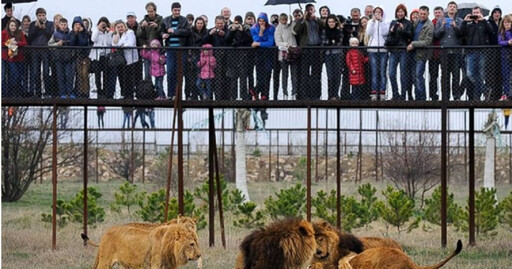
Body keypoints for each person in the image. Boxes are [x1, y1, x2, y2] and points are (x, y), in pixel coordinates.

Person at [460, 6, 493, 100]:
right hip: (470, 52)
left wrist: (483, 21)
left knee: (480, 75)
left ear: (481, 13)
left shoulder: (484, 23)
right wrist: (464, 21)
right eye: (474, 12)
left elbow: (491, 32)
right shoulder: (469, 24)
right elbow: (461, 33)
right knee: (470, 74)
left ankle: (477, 97)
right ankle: (485, 90)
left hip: (482, 52)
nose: (476, 14)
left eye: (477, 12)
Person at [293, 3, 324, 100]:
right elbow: (295, 31)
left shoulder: (317, 20)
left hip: (316, 49)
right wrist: (302, 19)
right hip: (306, 49)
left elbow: (324, 26)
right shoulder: (303, 21)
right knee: (304, 73)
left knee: (316, 74)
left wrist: (317, 19)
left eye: (311, 9)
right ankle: (304, 95)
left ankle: (316, 95)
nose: (310, 12)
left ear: (314, 10)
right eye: (308, 10)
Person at [434, 1, 464, 100]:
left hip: (456, 52)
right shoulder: (440, 21)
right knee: (445, 76)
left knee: (456, 75)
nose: (452, 8)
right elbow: (436, 35)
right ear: (447, 9)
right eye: (450, 6)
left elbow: (462, 34)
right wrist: (442, 26)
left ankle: (456, 96)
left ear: (456, 9)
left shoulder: (460, 21)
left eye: (454, 7)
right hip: (445, 52)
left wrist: (455, 26)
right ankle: (445, 97)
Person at [160, 2, 190, 100]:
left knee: (180, 74)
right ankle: (170, 94)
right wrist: (163, 35)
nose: (177, 12)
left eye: (178, 10)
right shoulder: (166, 20)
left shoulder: (184, 20)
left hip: (181, 50)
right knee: (170, 72)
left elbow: (187, 32)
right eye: (175, 10)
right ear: (172, 10)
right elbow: (161, 31)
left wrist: (175, 31)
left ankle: (178, 95)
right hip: (170, 49)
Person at [387, 4, 413, 101]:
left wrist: (402, 29)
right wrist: (392, 31)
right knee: (391, 73)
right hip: (394, 50)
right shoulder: (393, 22)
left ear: (405, 13)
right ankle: (395, 94)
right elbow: (389, 36)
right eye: (398, 12)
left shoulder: (408, 23)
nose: (400, 13)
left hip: (403, 50)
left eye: (402, 11)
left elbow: (410, 35)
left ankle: (403, 95)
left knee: (403, 74)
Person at [407, 6, 433, 101]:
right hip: (412, 53)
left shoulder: (429, 26)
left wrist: (413, 44)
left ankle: (422, 98)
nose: (422, 15)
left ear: (428, 14)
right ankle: (417, 96)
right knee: (414, 76)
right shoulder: (416, 22)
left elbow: (427, 42)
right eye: (421, 14)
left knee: (418, 76)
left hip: (421, 54)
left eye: (424, 14)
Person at [28, 8, 54, 98]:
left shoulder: (50, 24)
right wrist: (36, 27)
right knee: (36, 72)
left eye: (43, 15)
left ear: (45, 15)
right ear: (36, 16)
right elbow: (30, 37)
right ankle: (38, 93)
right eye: (39, 15)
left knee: (46, 72)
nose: (41, 17)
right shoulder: (32, 24)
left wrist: (44, 28)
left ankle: (47, 92)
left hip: (45, 50)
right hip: (35, 50)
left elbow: (51, 35)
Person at [226, 15, 253, 100]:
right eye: (236, 23)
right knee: (233, 80)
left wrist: (242, 31)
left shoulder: (246, 28)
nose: (237, 25)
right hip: (233, 57)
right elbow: (227, 40)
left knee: (243, 79)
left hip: (243, 57)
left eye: (239, 23)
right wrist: (232, 30)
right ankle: (233, 98)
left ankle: (244, 97)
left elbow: (250, 40)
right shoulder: (230, 28)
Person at [366, 5, 389, 100]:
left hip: (383, 50)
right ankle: (374, 92)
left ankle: (382, 91)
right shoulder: (370, 22)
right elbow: (369, 32)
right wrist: (373, 22)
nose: (378, 14)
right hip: (373, 49)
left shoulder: (386, 22)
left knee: (382, 72)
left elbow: (385, 32)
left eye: (380, 12)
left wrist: (381, 22)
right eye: (376, 12)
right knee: (374, 72)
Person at [251, 12, 275, 101]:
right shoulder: (253, 28)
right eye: (260, 21)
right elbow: (255, 40)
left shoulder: (271, 28)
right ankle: (257, 92)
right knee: (259, 75)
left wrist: (259, 43)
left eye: (263, 21)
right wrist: (261, 32)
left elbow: (270, 43)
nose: (261, 23)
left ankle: (264, 94)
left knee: (268, 74)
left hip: (269, 54)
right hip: (259, 54)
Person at [89, 17, 115, 99]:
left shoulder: (110, 33)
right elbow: (93, 39)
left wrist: (107, 33)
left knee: (106, 74)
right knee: (97, 75)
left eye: (105, 23)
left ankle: (105, 91)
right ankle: (99, 90)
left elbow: (110, 43)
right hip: (97, 56)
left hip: (106, 56)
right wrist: (98, 29)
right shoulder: (95, 32)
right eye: (101, 23)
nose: (103, 25)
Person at [112, 20, 139, 99]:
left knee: (129, 78)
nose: (120, 28)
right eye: (118, 27)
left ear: (124, 26)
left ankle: (129, 95)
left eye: (121, 26)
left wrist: (120, 45)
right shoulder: (115, 35)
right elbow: (114, 44)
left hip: (130, 59)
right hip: (120, 60)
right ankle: (123, 94)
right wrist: (117, 34)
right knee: (121, 77)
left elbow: (130, 43)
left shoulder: (130, 32)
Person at [137, 2, 163, 80]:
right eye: (148, 11)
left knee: (159, 74)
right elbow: (138, 35)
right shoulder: (143, 21)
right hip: (147, 51)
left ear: (155, 11)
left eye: (151, 11)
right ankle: (149, 91)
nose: (150, 13)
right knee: (147, 73)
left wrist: (157, 27)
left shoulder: (161, 20)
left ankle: (159, 91)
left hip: (158, 51)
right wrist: (142, 27)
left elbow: (163, 33)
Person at [275, 13, 298, 100]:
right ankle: (285, 93)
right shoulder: (278, 29)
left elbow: (294, 32)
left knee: (294, 74)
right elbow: (278, 42)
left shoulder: (290, 26)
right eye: (282, 19)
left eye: (285, 19)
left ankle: (294, 92)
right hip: (284, 55)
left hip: (293, 54)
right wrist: (286, 45)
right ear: (280, 20)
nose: (284, 21)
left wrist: (292, 22)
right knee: (285, 75)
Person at [48, 18, 74, 98]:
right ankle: (62, 93)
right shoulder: (55, 34)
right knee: (60, 76)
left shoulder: (70, 34)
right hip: (58, 58)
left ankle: (69, 93)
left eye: (65, 25)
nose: (63, 26)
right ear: (59, 25)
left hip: (68, 58)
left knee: (69, 76)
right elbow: (49, 45)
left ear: (67, 25)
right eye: (62, 25)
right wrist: (57, 44)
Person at [203, 15, 228, 99]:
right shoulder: (210, 31)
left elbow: (230, 41)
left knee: (225, 79)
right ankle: (214, 97)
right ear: (215, 23)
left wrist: (224, 35)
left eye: (221, 23)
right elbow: (203, 42)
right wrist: (210, 34)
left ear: (224, 23)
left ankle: (224, 98)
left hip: (226, 59)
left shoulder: (228, 31)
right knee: (214, 79)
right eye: (218, 23)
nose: (220, 25)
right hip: (213, 60)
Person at [2, 19, 27, 97]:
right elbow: (2, 42)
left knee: (18, 76)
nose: (13, 27)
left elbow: (24, 43)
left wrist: (16, 43)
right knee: (9, 75)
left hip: (18, 57)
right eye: (12, 25)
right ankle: (7, 93)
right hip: (7, 58)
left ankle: (17, 93)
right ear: (9, 26)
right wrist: (9, 42)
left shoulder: (20, 33)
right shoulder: (4, 32)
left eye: (15, 25)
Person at [321, 14, 343, 100]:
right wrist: (332, 41)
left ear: (336, 22)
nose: (331, 23)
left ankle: (336, 94)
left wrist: (331, 42)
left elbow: (339, 42)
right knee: (330, 75)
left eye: (332, 22)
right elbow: (324, 43)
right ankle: (330, 95)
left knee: (337, 75)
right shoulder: (324, 31)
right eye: (329, 22)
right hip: (328, 54)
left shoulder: (339, 31)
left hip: (338, 54)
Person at [69, 16, 91, 98]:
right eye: (76, 24)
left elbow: (83, 43)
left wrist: (80, 34)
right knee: (78, 74)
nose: (77, 26)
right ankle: (79, 92)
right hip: (76, 56)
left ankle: (86, 92)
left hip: (85, 56)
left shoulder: (85, 33)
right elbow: (71, 43)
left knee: (84, 74)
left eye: (79, 24)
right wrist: (75, 34)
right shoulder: (71, 33)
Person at [187, 16, 207, 100]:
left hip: (203, 56)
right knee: (192, 77)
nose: (199, 25)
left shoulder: (206, 32)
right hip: (193, 56)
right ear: (195, 24)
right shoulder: (191, 32)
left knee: (201, 78)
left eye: (201, 23)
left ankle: (203, 94)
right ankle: (194, 95)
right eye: (198, 23)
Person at [487, 6, 503, 100]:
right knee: (491, 73)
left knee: (500, 73)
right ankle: (491, 94)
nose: (497, 14)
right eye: (495, 12)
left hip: (501, 51)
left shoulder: (503, 23)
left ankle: (499, 94)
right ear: (492, 14)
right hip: (491, 51)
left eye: (498, 12)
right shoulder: (489, 23)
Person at [428, 6, 444, 101]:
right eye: (436, 12)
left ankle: (444, 95)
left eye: (439, 12)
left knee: (444, 75)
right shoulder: (431, 23)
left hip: (443, 53)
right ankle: (433, 95)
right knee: (433, 75)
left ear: (443, 13)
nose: (437, 14)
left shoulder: (446, 22)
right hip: (433, 53)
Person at [498, 14, 512, 100]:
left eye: (509, 22)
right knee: (506, 76)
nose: (507, 24)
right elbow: (500, 42)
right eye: (505, 22)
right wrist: (508, 42)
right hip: (505, 57)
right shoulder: (501, 32)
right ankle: (507, 94)